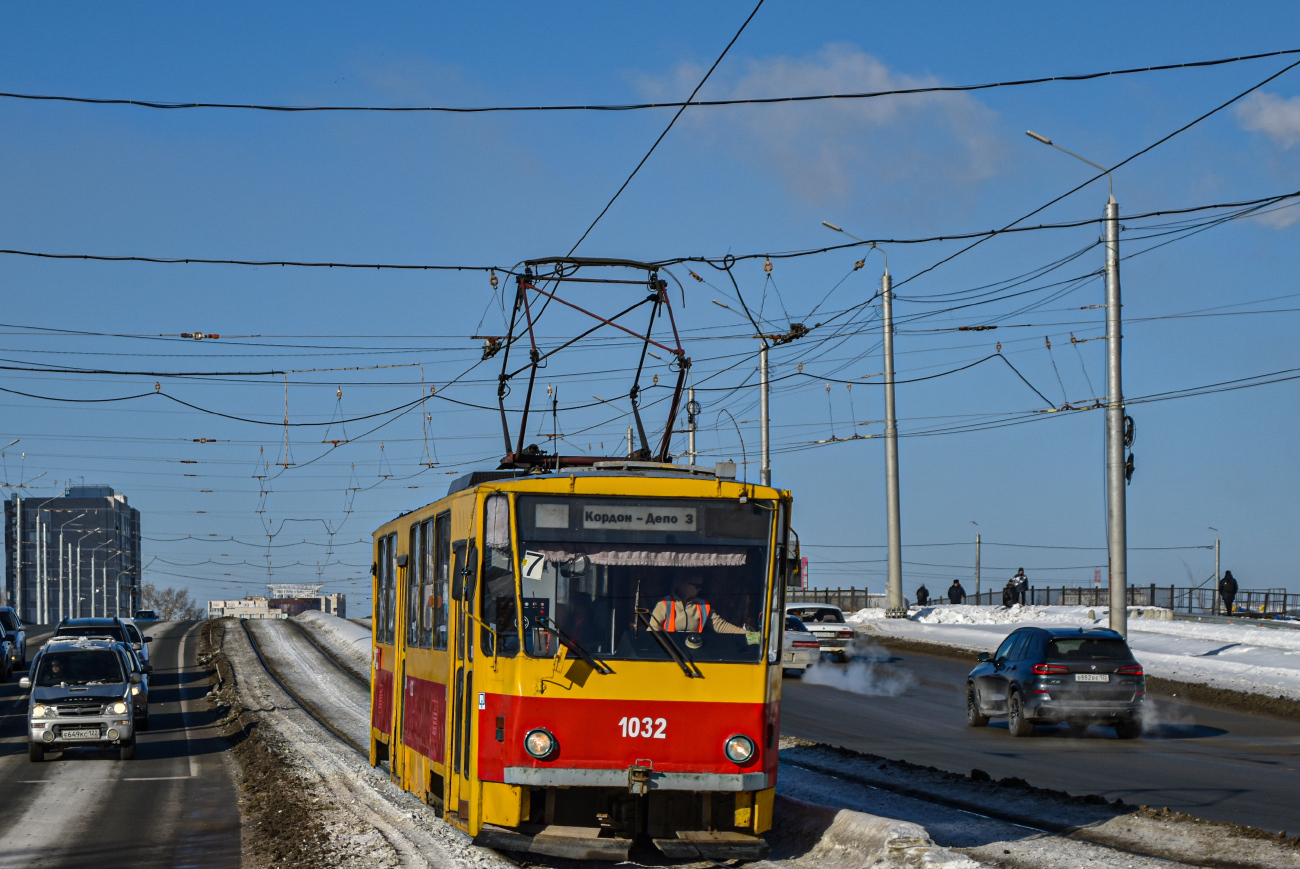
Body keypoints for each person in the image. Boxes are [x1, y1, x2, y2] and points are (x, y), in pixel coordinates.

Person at [649, 579, 746, 634]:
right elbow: (652, 630)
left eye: (701, 586)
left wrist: (754, 637)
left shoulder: (703, 605)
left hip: (695, 651)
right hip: (671, 653)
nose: (700, 589)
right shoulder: (665, 603)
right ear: (684, 585)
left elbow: (721, 626)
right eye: (697, 585)